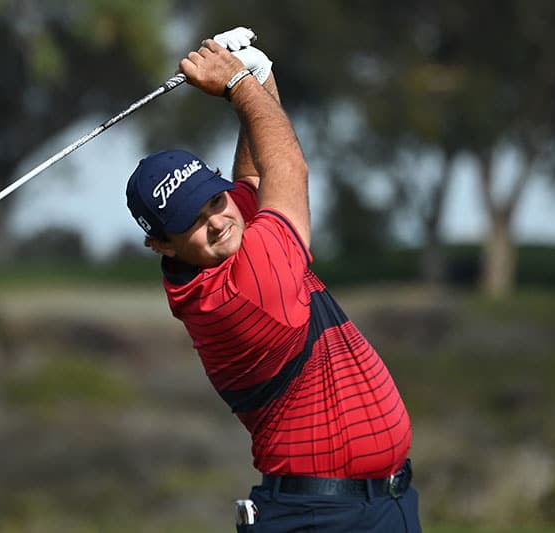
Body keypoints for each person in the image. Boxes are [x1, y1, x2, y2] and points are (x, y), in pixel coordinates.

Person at [125, 28, 421, 533]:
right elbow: (289, 168)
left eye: (213, 200)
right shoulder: (238, 294)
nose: (217, 219)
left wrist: (261, 79)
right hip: (323, 517)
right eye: (191, 222)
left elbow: (256, 181)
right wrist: (239, 84)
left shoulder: (226, 240)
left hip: (383, 504)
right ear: (163, 245)